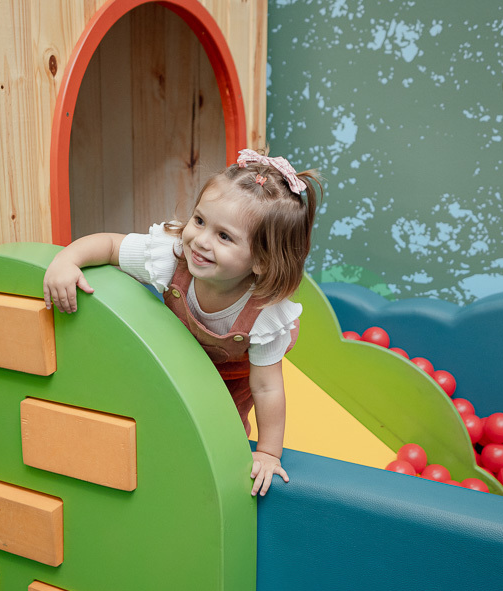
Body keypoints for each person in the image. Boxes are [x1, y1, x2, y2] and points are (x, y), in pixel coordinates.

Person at [43, 149, 321, 496]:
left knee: (220, 439)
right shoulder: (169, 257)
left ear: (262, 261)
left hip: (233, 378)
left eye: (224, 237)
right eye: (200, 220)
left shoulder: (264, 314)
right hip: (179, 355)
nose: (201, 241)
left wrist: (267, 453)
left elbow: (267, 388)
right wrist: (66, 260)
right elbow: (111, 245)